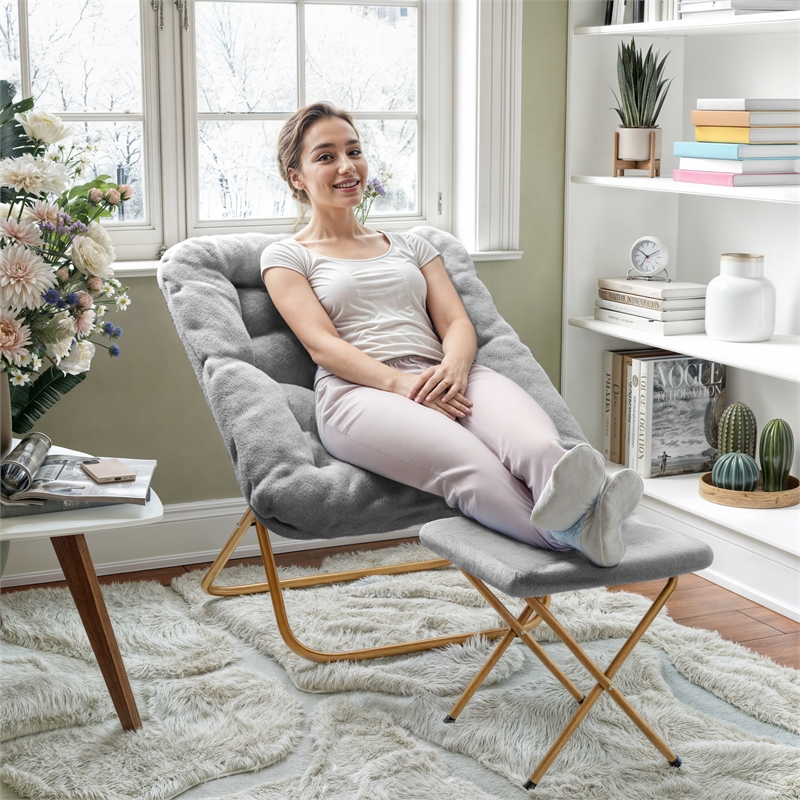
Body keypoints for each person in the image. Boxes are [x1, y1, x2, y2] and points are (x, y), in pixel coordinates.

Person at [261, 102, 643, 568]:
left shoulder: (413, 245)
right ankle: (573, 538)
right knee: (477, 471)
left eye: (354, 151)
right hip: (358, 393)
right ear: (296, 176)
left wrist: (454, 369)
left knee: (541, 447)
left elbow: (458, 324)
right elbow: (323, 345)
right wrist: (405, 386)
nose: (347, 166)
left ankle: (592, 517)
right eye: (325, 156)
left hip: (447, 371)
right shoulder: (286, 256)